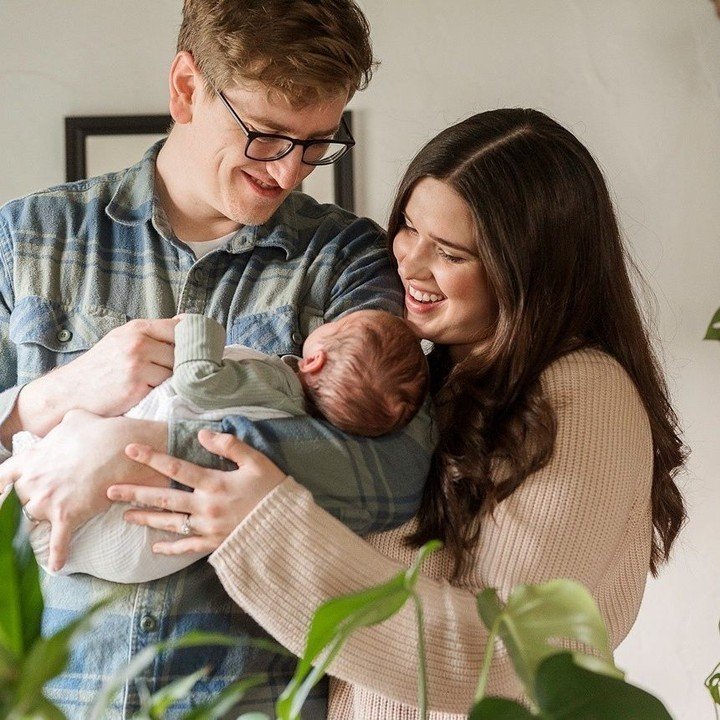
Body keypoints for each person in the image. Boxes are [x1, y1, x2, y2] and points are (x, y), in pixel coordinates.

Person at [106, 109, 687, 717]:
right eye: (408, 227)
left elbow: (502, 655)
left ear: (530, 272)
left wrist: (260, 525)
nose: (408, 263)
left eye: (452, 253)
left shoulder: (582, 393)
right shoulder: (428, 377)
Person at [0, 1, 435, 717]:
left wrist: (151, 446)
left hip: (252, 701)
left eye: (317, 144)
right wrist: (53, 396)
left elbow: (398, 473)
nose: (291, 172)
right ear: (185, 87)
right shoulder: (28, 240)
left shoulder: (348, 261)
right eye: (267, 136)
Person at [18, 310, 428, 584]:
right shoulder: (303, 426)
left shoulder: (274, 382)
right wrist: (45, 398)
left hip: (120, 514)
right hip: (134, 556)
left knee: (31, 510)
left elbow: (197, 381)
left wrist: (196, 327)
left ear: (315, 360)